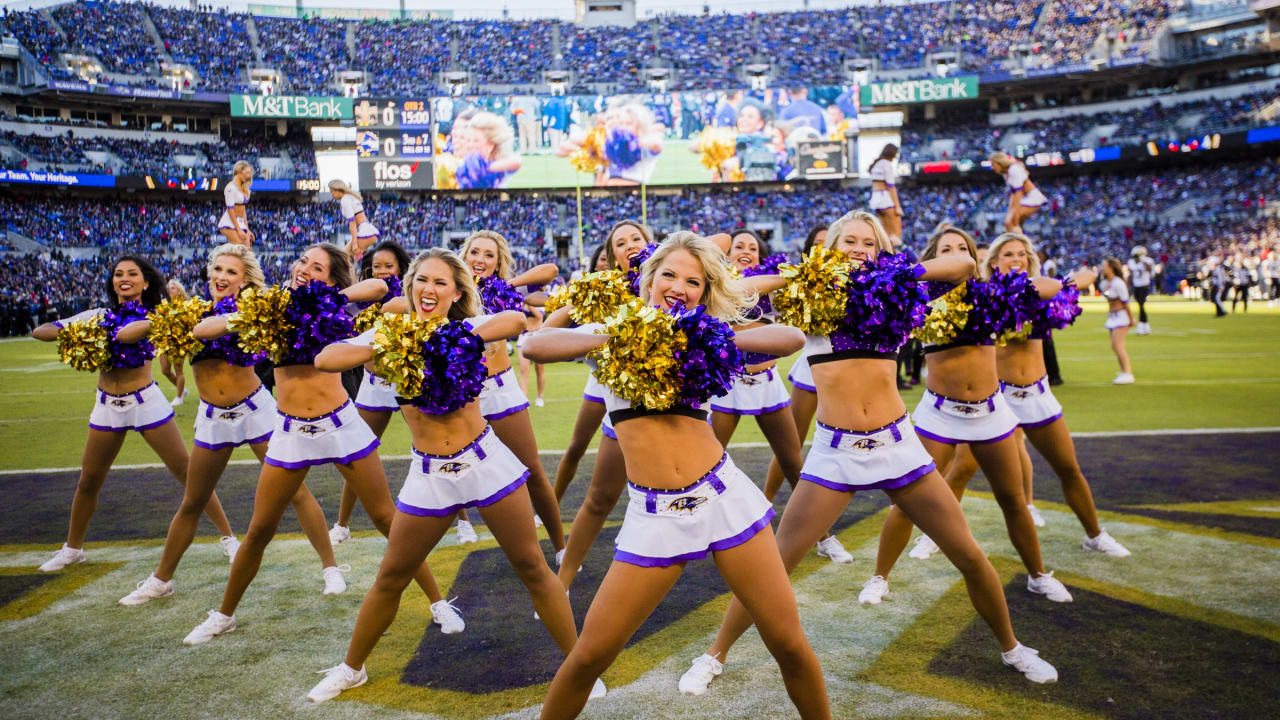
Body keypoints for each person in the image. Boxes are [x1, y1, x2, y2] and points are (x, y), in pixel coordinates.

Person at [677, 212, 1057, 697]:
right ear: (830, 248)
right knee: (775, 565)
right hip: (835, 453)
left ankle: (1012, 647)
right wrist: (807, 273)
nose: (859, 248)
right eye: (848, 241)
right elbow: (737, 286)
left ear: (881, 251)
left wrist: (897, 272)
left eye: (868, 243)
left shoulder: (895, 292)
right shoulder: (808, 294)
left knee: (969, 555)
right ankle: (713, 656)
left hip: (899, 445)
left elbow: (962, 264)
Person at [525, 232, 832, 719]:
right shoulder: (615, 330)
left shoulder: (707, 334)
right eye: (669, 274)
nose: (679, 286)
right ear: (649, 280)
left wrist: (715, 333)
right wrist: (619, 335)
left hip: (723, 500)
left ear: (704, 292)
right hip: (655, 516)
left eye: (694, 281)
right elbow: (536, 346)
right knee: (588, 657)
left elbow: (790, 338)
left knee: (789, 644)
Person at [305, 248, 596, 704]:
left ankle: (578, 665)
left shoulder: (464, 331)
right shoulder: (390, 335)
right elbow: (326, 359)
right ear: (411, 286)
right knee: (391, 576)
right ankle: (351, 668)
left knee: (533, 568)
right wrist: (390, 344)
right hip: (429, 475)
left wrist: (448, 336)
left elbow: (515, 322)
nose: (429, 289)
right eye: (422, 280)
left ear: (457, 292)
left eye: (441, 283)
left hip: (484, 463)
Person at [181, 243, 461, 646]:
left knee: (388, 521)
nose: (304, 270)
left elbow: (382, 292)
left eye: (317, 267)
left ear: (331, 279)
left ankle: (438, 602)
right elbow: (202, 331)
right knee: (260, 529)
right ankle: (223, 614)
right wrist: (252, 314)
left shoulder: (337, 308)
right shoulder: (271, 310)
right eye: (302, 263)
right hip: (291, 430)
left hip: (340, 425)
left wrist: (329, 296)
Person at [118, 244, 344, 606]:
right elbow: (128, 336)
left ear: (244, 280)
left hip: (256, 410)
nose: (222, 277)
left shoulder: (257, 311)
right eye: (218, 269)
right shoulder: (191, 313)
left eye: (231, 272)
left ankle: (330, 568)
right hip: (213, 417)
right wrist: (165, 318)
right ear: (209, 273)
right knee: (193, 499)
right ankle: (161, 580)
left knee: (296, 493)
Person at [866, 225, 1073, 606]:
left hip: (991, 413)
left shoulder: (991, 295)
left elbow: (1045, 288)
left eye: (963, 248)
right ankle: (879, 577)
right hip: (939, 414)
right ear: (933, 257)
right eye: (947, 249)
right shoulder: (919, 299)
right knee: (907, 502)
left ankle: (1038, 575)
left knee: (1012, 499)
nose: (959, 254)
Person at [32, 256, 238, 572]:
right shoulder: (98, 315)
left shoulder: (156, 315)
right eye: (118, 274)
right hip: (106, 406)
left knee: (188, 473)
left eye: (132, 274)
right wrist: (72, 331)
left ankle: (228, 538)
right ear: (112, 282)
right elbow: (41, 332)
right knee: (88, 480)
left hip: (145, 402)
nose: (124, 278)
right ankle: (72, 548)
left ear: (145, 283)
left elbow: (156, 330)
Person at [951, 234, 1131, 556]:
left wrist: (1070, 280)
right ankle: (934, 535)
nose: (1017, 258)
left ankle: (1094, 534)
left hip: (1037, 395)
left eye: (1022, 253)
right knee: (962, 469)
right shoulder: (987, 294)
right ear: (994, 261)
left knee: (1069, 469)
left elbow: (1079, 281)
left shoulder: (1040, 289)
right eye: (1008, 253)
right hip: (998, 398)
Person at [716, 229, 851, 564]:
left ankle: (824, 537)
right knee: (709, 461)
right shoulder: (718, 286)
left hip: (767, 383)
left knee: (793, 462)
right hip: (728, 384)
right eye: (738, 247)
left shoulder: (774, 289)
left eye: (752, 248)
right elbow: (741, 283)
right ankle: (711, 533)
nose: (745, 251)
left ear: (763, 258)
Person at [550, 223, 650, 504]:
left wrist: (657, 254)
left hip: (647, 384)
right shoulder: (601, 293)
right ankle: (552, 503)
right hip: (605, 378)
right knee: (577, 447)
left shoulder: (663, 279)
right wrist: (580, 296)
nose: (630, 246)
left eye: (636, 239)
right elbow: (545, 331)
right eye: (619, 245)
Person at [329, 240, 413, 546]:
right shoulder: (365, 297)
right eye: (376, 266)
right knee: (359, 453)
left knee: (434, 445)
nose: (382, 271)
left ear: (402, 268)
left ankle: (463, 521)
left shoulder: (415, 293)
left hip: (408, 380)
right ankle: (342, 524)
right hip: (374, 385)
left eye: (388, 266)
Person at [990, 152, 1046, 233]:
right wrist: (1010, 212)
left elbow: (1018, 193)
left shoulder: (1014, 169)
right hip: (1023, 198)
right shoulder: (1006, 173)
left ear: (999, 162)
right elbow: (1013, 195)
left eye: (993, 164)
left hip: (1032, 198)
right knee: (1008, 222)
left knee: (1011, 222)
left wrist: (1014, 217)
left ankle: (1017, 243)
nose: (992, 167)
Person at [1101, 257, 1135, 384]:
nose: (1102, 268)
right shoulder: (1107, 282)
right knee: (1115, 346)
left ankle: (1127, 373)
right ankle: (1123, 371)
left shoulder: (1118, 283)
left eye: (1104, 265)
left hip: (1121, 317)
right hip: (1113, 317)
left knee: (1117, 345)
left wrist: (1131, 320)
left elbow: (1126, 303)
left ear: (1111, 267)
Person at [157, 279, 190, 406]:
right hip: (164, 341)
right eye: (168, 288)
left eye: (173, 288)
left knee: (178, 370)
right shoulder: (164, 304)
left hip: (179, 341)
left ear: (179, 291)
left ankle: (179, 397)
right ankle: (182, 389)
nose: (170, 290)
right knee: (165, 370)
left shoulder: (185, 305)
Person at [328, 180, 379, 259]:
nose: (331, 194)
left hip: (364, 233)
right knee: (353, 260)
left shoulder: (344, 200)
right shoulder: (351, 197)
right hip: (369, 231)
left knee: (343, 257)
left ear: (337, 189)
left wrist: (354, 242)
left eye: (332, 191)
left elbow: (352, 222)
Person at [868, 144, 903, 244]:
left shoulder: (876, 163)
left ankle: (885, 257)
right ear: (891, 153)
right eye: (896, 153)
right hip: (886, 199)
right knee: (896, 234)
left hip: (876, 200)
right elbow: (891, 187)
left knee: (886, 235)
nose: (896, 156)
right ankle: (894, 258)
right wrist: (897, 206)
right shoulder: (887, 164)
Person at [217, 161, 254, 246]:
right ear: (239, 172)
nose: (249, 176)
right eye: (247, 172)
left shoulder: (244, 188)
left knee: (247, 250)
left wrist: (247, 229)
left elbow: (243, 210)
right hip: (229, 222)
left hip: (240, 222)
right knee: (240, 248)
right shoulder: (230, 188)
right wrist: (239, 230)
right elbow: (230, 210)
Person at [516, 304, 546, 407]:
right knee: (524, 371)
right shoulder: (521, 300)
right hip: (524, 336)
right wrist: (522, 303)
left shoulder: (540, 299)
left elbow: (539, 316)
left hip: (537, 336)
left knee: (539, 369)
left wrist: (528, 303)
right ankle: (524, 400)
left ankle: (539, 397)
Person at [1127, 246, 1155, 335]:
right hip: (1136, 286)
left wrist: (1143, 261)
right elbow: (1131, 274)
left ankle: (1141, 326)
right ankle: (1146, 326)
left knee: (1141, 305)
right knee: (1140, 305)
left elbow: (1150, 271)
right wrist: (1127, 286)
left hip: (1144, 285)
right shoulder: (1131, 262)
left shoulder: (1148, 261)